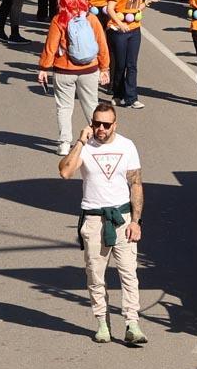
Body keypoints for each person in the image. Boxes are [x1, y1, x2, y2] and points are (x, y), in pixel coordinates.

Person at [58, 102, 148, 345]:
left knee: (129, 274)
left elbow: (136, 184)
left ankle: (132, 324)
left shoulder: (127, 146)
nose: (101, 128)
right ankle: (102, 323)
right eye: (96, 123)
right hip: (94, 219)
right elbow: (65, 172)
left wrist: (136, 221)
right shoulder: (86, 148)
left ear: (114, 125)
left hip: (122, 218)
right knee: (95, 276)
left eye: (106, 125)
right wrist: (80, 142)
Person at [39, 0, 110, 156]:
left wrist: (43, 68)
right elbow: (102, 44)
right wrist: (104, 68)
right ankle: (98, 139)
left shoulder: (59, 19)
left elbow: (51, 46)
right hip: (89, 69)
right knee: (91, 105)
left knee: (64, 107)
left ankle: (64, 143)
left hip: (64, 70)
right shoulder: (91, 19)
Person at [105, 0, 158, 110]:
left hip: (135, 29)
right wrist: (120, 24)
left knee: (132, 64)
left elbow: (136, 8)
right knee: (120, 64)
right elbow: (110, 8)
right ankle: (117, 93)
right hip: (119, 31)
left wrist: (148, 2)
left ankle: (132, 97)